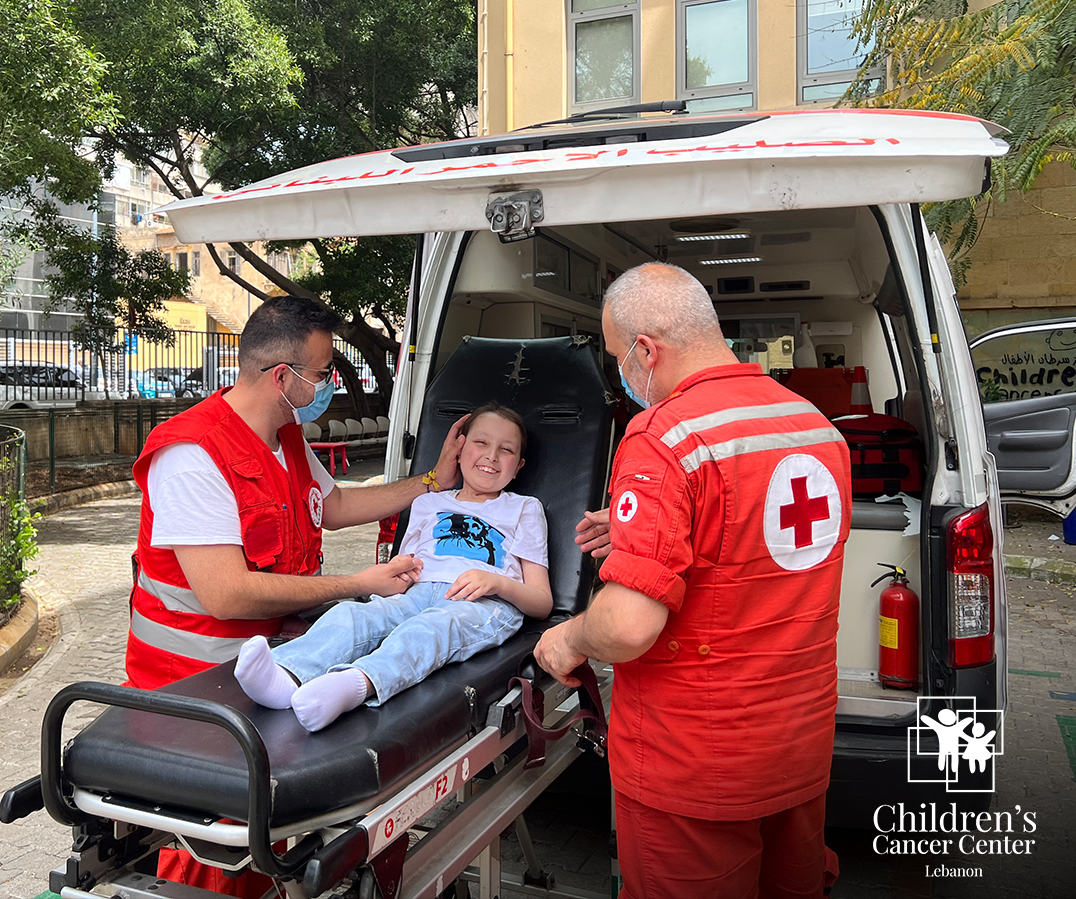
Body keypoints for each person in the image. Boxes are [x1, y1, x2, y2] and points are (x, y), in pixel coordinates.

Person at [126, 295, 466, 895]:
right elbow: (226, 594)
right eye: (324, 372)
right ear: (284, 377)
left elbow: (333, 507)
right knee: (220, 857)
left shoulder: (286, 438)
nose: (331, 383)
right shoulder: (191, 455)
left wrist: (435, 481)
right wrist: (359, 586)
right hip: (195, 691)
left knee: (302, 830)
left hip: (280, 667)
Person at [535, 263, 851, 899]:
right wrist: (638, 530)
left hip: (698, 763)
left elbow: (626, 627)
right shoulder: (813, 424)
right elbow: (747, 539)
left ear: (647, 351)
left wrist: (569, 639)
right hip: (797, 743)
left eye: (619, 357)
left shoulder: (665, 436)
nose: (620, 375)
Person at [235, 403, 552, 730]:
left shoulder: (524, 508)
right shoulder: (428, 501)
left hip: (483, 605)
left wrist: (497, 583)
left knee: (429, 630)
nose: (491, 456)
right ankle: (286, 676)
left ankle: (356, 684)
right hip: (419, 593)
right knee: (354, 615)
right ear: (459, 448)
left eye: (506, 450)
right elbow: (404, 566)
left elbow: (542, 602)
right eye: (481, 443)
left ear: (519, 467)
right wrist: (397, 573)